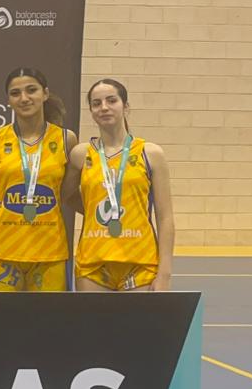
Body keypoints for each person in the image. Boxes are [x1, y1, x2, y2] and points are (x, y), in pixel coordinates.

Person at [0, 67, 78, 292]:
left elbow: (67, 194)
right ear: (8, 100)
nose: (24, 98)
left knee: (49, 316)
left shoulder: (66, 139)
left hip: (50, 250)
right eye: (15, 93)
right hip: (2, 248)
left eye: (31, 90)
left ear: (45, 93)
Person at [71, 79, 176, 291]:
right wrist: (94, 212)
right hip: (93, 264)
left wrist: (165, 273)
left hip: (140, 263)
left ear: (125, 106)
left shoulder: (150, 153)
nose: (104, 107)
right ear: (91, 111)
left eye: (112, 100)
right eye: (96, 103)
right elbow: (65, 195)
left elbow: (165, 217)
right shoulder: (81, 154)